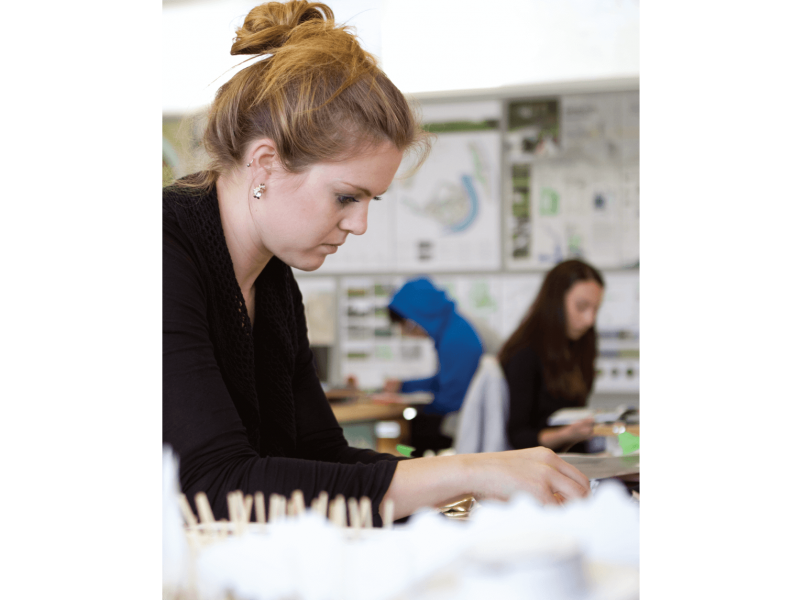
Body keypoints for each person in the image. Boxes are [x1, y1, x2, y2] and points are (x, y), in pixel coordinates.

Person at [162, 0, 590, 527]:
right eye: (346, 197)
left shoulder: (272, 281)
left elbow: (321, 457)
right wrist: (470, 472)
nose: (359, 225)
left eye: (372, 202)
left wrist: (479, 477)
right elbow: (215, 488)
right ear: (266, 164)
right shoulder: (170, 251)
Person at [500, 260, 606, 453]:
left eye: (595, 309)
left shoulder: (581, 344)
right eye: (581, 307)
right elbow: (518, 436)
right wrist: (567, 434)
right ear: (556, 301)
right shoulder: (524, 353)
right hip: (539, 465)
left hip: (575, 458)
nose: (589, 320)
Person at [383, 278, 489, 457]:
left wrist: (415, 407)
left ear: (415, 319)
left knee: (411, 436)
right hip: (467, 414)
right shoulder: (452, 327)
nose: (405, 333)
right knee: (416, 425)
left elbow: (451, 400)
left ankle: (404, 460)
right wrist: (403, 386)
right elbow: (444, 381)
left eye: (404, 326)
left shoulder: (456, 339)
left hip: (467, 421)